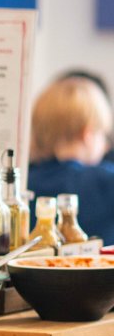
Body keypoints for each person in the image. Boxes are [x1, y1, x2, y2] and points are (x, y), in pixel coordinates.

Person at [28, 75, 114, 244]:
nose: (106, 146)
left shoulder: (26, 182)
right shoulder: (107, 181)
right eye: (103, 135)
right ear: (87, 134)